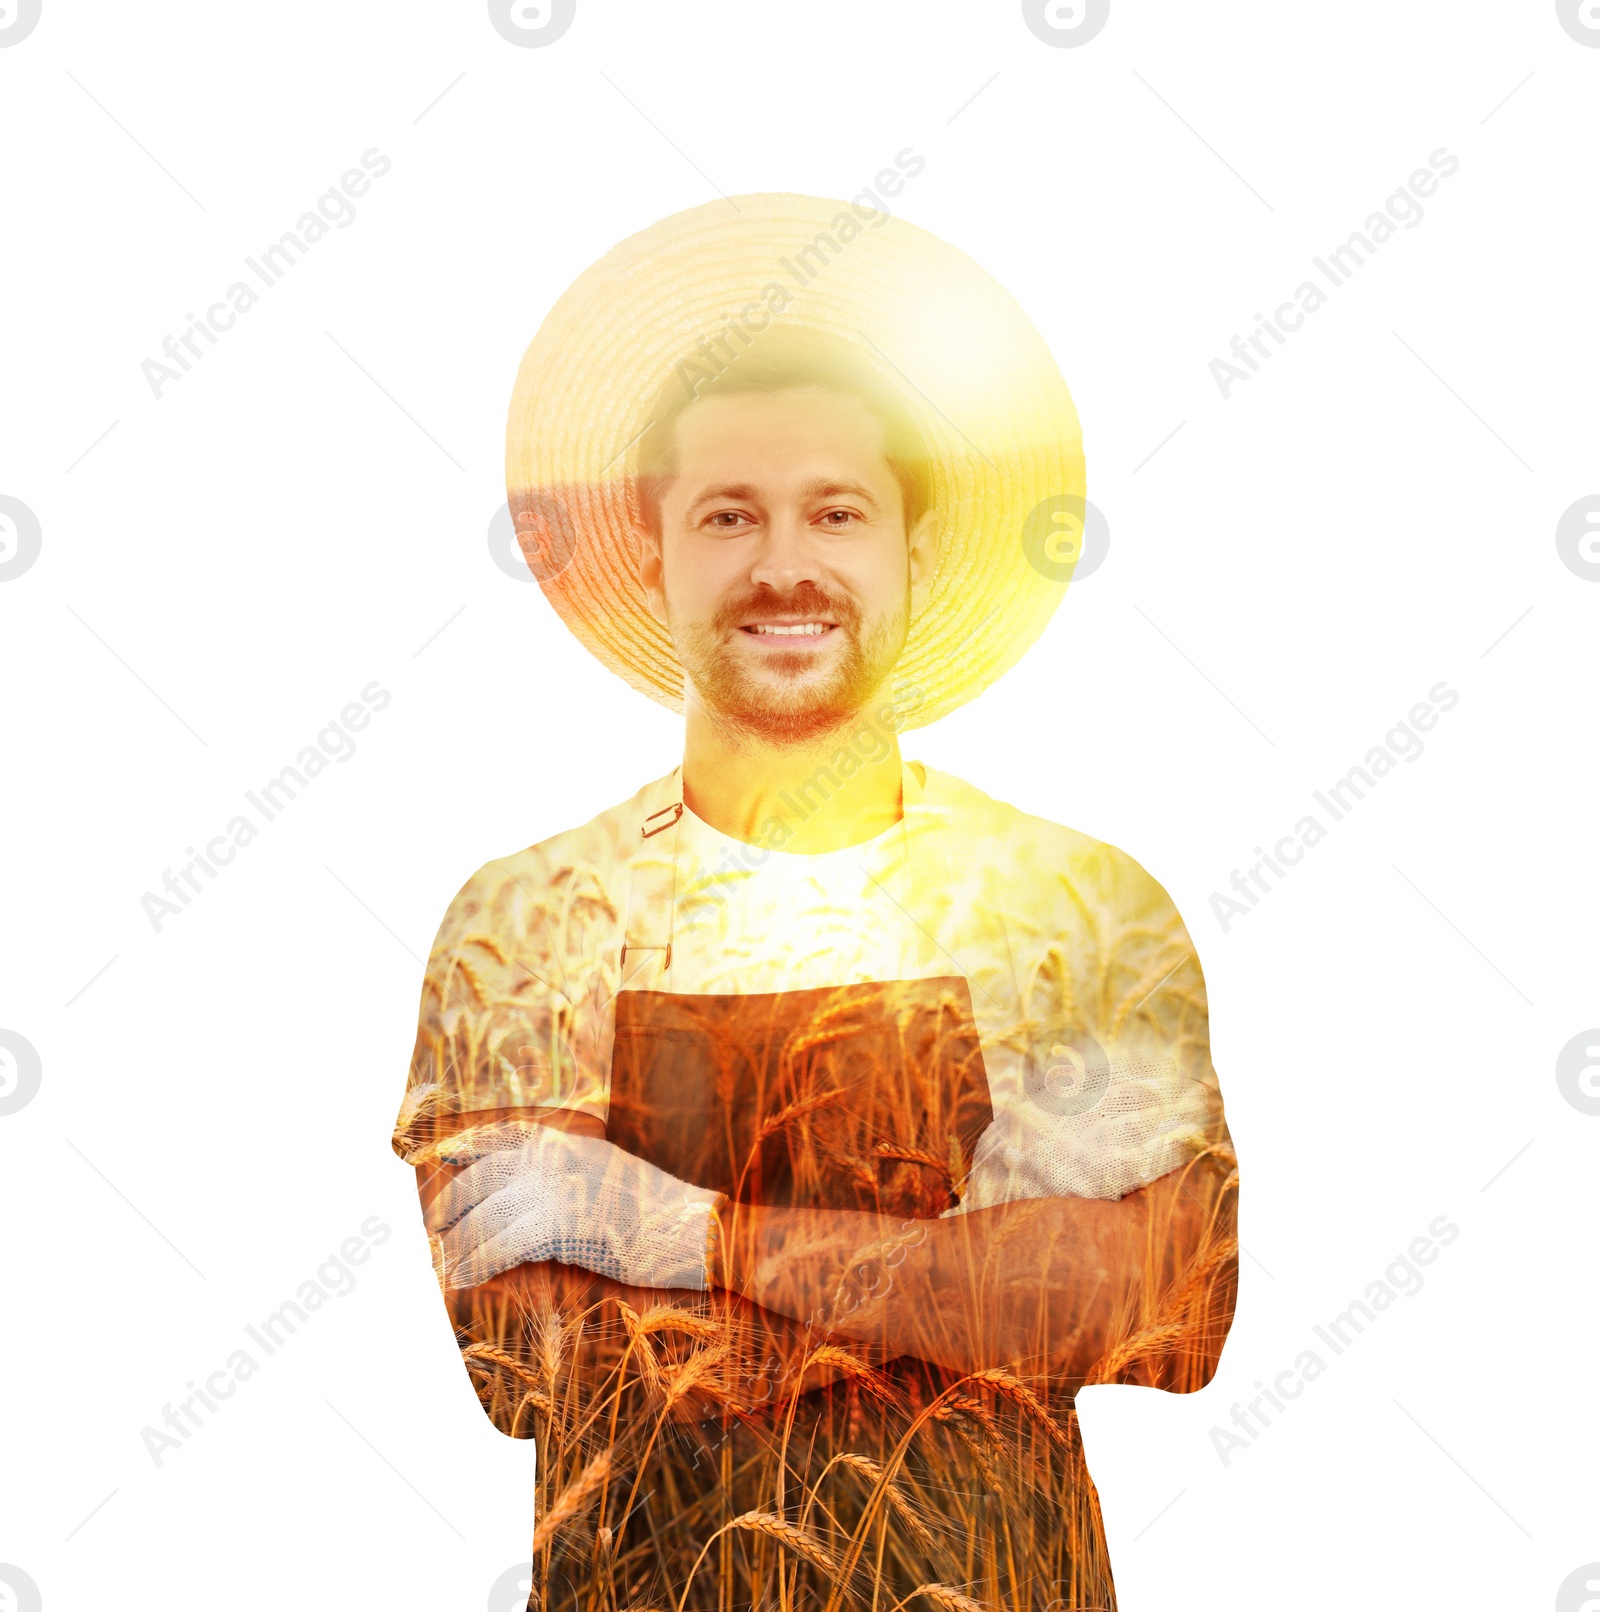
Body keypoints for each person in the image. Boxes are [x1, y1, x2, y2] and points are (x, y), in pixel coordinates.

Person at [393, 194, 1239, 1612]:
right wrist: (968, 1287)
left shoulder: (1076, 910)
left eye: (835, 512)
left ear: (910, 550)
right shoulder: (526, 925)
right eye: (730, 514)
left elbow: (1161, 1310)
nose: (785, 563)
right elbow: (527, 1364)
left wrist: (676, 1235)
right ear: (653, 553)